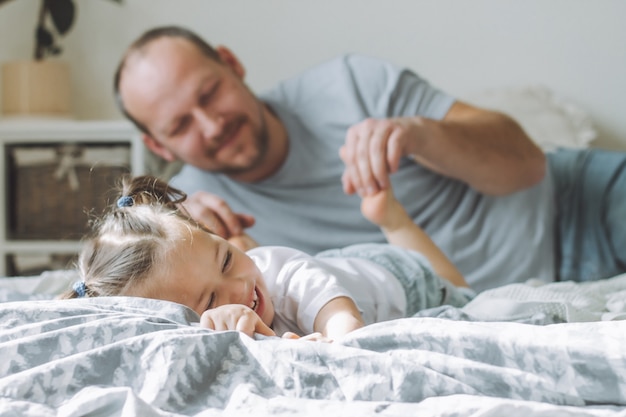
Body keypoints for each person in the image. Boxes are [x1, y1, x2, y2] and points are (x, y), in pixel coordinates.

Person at [113, 25, 626, 292]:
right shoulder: (193, 217)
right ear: (159, 147)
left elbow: (526, 164)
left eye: (211, 93)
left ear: (233, 64)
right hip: (482, 298)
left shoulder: (350, 84)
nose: (212, 124)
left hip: (577, 206)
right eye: (180, 125)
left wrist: (420, 133)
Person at [61, 175, 474, 340]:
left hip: (392, 277)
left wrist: (332, 342)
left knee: (458, 290)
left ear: (213, 235)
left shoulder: (284, 271)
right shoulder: (211, 329)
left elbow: (345, 328)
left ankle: (393, 219)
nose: (237, 288)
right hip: (327, 267)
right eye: (209, 301)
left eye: (225, 260)